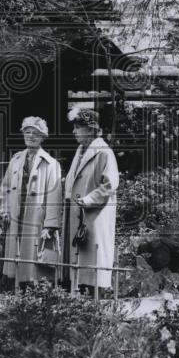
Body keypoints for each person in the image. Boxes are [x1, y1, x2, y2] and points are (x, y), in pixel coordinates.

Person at [0, 117, 63, 290]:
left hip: (36, 218)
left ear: (43, 137)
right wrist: (5, 210)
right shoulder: (16, 159)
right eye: (27, 132)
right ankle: (14, 288)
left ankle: (31, 289)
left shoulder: (51, 164)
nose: (30, 136)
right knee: (15, 253)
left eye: (35, 133)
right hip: (16, 214)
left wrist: (50, 225)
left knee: (32, 255)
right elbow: (5, 187)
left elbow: (54, 196)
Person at [62, 106, 119, 296]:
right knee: (79, 260)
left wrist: (88, 200)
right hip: (78, 213)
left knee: (94, 259)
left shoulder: (104, 152)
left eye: (78, 127)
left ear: (91, 129)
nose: (74, 131)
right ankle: (81, 297)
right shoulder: (80, 151)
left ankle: (96, 297)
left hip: (94, 215)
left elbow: (110, 184)